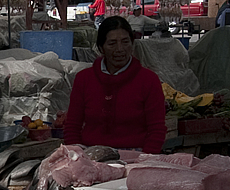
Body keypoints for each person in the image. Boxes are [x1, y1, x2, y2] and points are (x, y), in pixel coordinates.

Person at [63, 16, 166, 154]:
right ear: (101, 48)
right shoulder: (84, 79)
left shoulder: (149, 80)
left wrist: (144, 161)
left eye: (125, 42)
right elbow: (72, 126)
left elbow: (157, 130)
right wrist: (76, 157)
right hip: (90, 156)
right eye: (112, 43)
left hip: (136, 157)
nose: (120, 49)